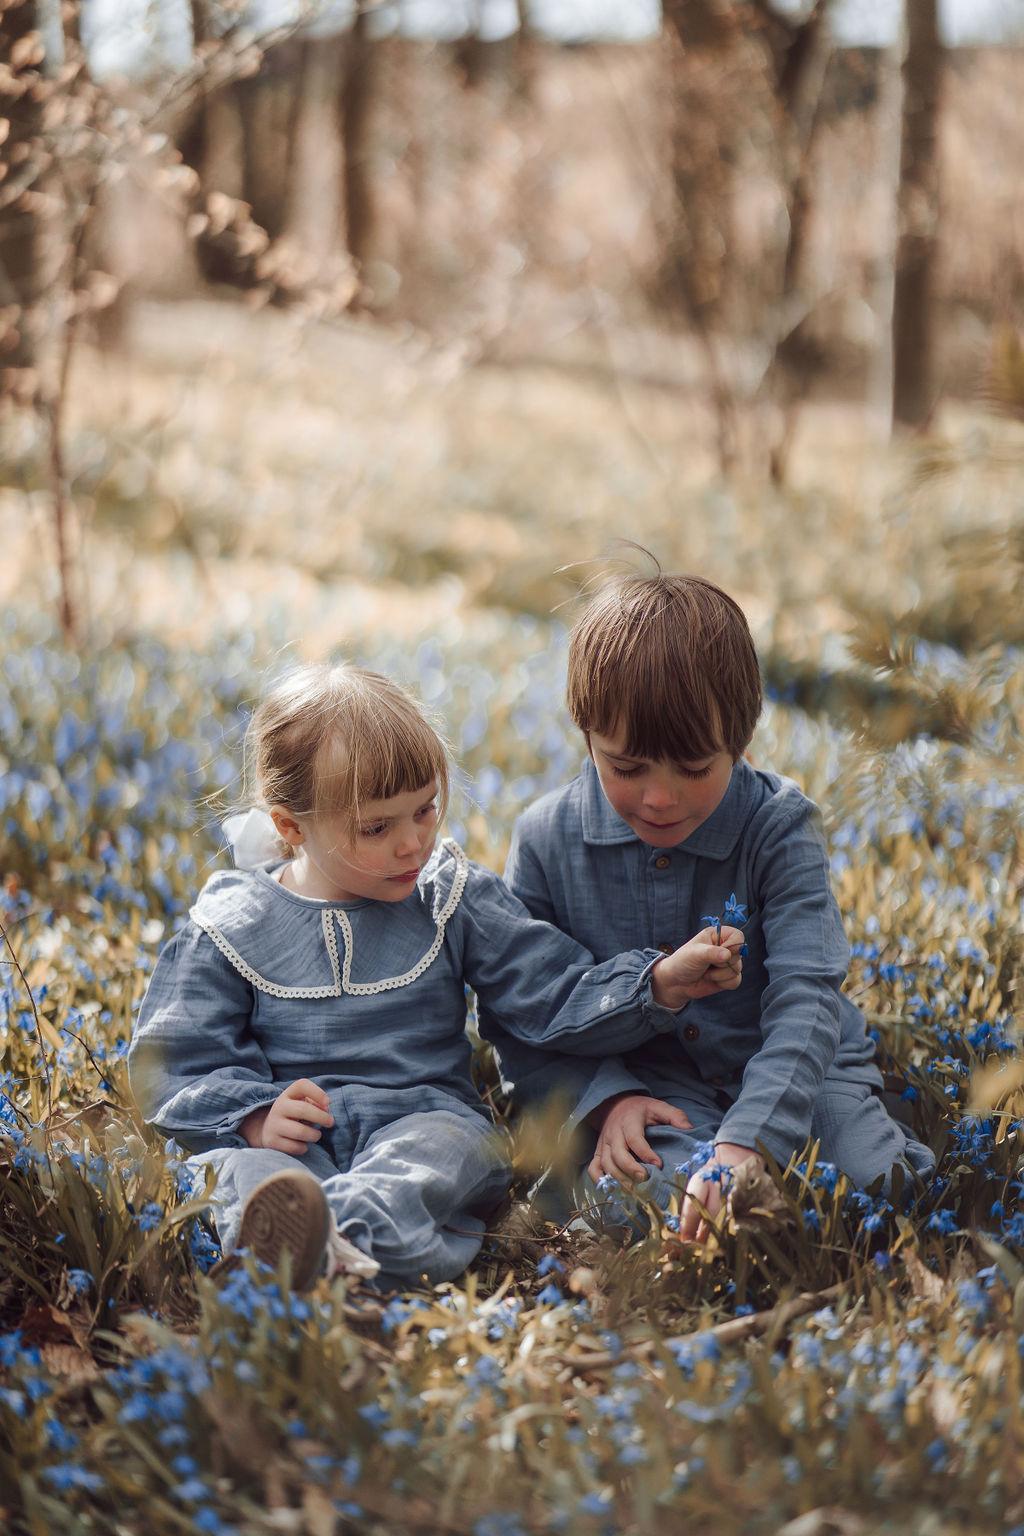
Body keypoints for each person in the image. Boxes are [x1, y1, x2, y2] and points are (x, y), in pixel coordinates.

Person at [129, 662, 745, 1290]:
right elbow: (178, 1058)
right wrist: (256, 1115)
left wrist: (659, 982)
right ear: (291, 826)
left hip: (421, 1116)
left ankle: (323, 1250)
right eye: (377, 827)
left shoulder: (449, 897)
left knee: (443, 1157)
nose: (411, 844)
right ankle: (301, 1241)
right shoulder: (235, 921)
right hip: (293, 1138)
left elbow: (546, 986)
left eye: (424, 811)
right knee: (243, 1171)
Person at [481, 569, 935, 1241]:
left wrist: (749, 1142)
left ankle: (864, 1125)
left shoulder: (777, 828)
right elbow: (523, 1013)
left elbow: (806, 998)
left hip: (795, 1070)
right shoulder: (546, 840)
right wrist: (608, 1100)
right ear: (586, 736)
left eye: (695, 769)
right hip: (650, 1083)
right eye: (627, 768)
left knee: (874, 1190)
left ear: (742, 742)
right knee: (643, 1206)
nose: (659, 799)